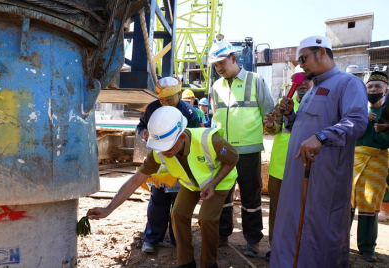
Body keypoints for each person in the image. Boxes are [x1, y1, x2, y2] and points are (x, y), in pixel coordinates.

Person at [87, 106, 239, 268]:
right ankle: (186, 262)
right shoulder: (160, 150)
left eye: (168, 146)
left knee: (206, 218)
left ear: (181, 137)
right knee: (178, 214)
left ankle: (209, 263)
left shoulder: (209, 140)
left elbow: (233, 158)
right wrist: (108, 209)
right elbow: (135, 180)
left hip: (219, 181)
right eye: (161, 146)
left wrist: (213, 183)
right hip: (191, 184)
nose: (164, 152)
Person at [270, 36, 368, 267]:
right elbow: (303, 129)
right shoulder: (312, 90)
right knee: (292, 223)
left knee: (319, 230)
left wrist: (322, 137)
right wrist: (290, 116)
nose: (301, 65)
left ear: (322, 53)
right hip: (297, 174)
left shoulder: (348, 83)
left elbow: (357, 122)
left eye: (303, 59)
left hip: (324, 177)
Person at [208, 40, 274, 256]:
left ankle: (253, 241)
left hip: (248, 152)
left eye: (221, 63)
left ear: (233, 59)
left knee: (251, 198)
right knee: (223, 196)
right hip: (223, 153)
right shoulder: (216, 86)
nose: (218, 68)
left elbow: (269, 113)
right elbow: (214, 119)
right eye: (215, 65)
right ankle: (223, 235)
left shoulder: (254, 80)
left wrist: (272, 126)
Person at [136, 77, 200, 253]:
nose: (164, 103)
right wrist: (144, 133)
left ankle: (176, 239)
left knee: (178, 204)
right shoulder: (153, 108)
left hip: (181, 164)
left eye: (168, 99)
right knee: (157, 201)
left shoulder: (190, 114)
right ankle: (152, 238)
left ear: (179, 94)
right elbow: (140, 126)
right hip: (159, 162)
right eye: (161, 99)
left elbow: (192, 142)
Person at [262, 66, 313, 261]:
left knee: (301, 208)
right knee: (276, 208)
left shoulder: (319, 104)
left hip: (304, 165)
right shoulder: (282, 104)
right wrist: (269, 124)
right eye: (297, 81)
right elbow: (275, 130)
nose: (301, 84)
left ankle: (299, 247)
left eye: (306, 80)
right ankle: (275, 247)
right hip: (279, 165)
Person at [350, 71, 389, 262]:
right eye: (370, 86)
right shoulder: (357, 109)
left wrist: (384, 128)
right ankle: (340, 242)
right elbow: (346, 131)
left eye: (377, 87)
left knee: (370, 203)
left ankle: (367, 247)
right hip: (354, 159)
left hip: (378, 161)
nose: (373, 90)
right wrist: (364, 121)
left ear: (385, 90)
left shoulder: (388, 113)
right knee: (346, 202)